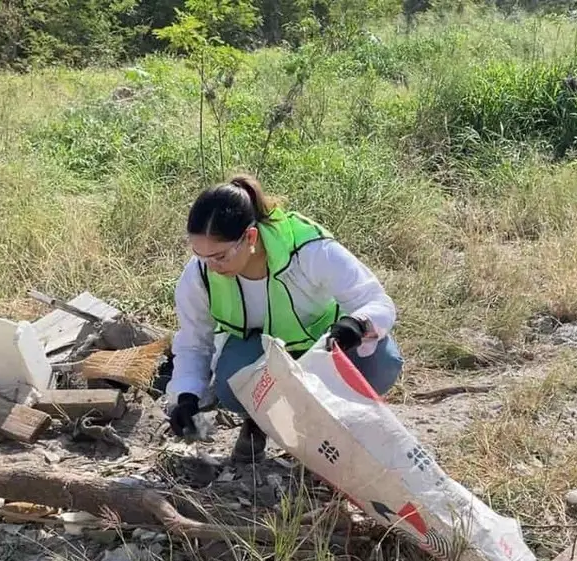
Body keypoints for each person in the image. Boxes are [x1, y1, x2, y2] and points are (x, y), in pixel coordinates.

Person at [166, 175, 403, 461]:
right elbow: (193, 343)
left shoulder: (310, 250)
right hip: (264, 354)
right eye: (201, 256)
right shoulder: (199, 274)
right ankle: (260, 421)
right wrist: (186, 397)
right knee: (230, 384)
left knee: (382, 363)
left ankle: (342, 426)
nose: (212, 267)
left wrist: (357, 324)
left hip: (326, 346)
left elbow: (377, 301)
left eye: (220, 256)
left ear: (250, 237)